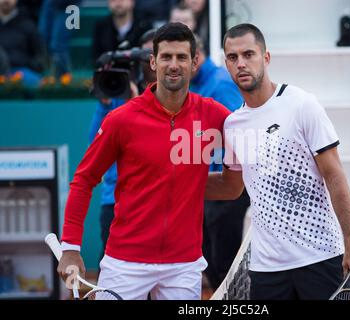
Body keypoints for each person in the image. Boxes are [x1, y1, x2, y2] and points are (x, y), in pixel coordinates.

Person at [57, 23, 231, 300]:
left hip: (183, 264)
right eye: (166, 57)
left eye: (182, 57)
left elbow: (250, 145)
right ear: (153, 61)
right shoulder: (121, 119)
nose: (174, 65)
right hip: (124, 262)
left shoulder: (215, 116)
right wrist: (70, 248)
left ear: (195, 62)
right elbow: (83, 180)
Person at [204, 23, 350, 300]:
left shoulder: (302, 104)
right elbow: (231, 187)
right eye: (233, 58)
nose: (241, 64)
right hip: (266, 268)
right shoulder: (232, 125)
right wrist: (174, 180)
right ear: (226, 63)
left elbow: (335, 175)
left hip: (319, 256)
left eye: (248, 54)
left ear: (265, 58)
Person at [89, 29, 157, 262]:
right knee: (110, 266)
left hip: (156, 200)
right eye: (147, 55)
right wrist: (104, 103)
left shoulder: (175, 96)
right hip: (115, 199)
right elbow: (94, 144)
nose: (152, 62)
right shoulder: (119, 90)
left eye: (156, 54)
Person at [189, 35, 250, 290]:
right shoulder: (198, 84)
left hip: (226, 185)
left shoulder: (219, 84)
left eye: (183, 58)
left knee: (223, 262)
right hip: (211, 183)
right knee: (213, 262)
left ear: (197, 58)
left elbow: (236, 131)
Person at [0, 0, 45, 87]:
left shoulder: (28, 25)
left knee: (37, 83)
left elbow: (40, 55)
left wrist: (29, 66)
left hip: (22, 72)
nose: (6, 0)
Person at [92, 0, 150, 64]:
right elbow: (96, 56)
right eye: (113, 0)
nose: (118, 3)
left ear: (132, 2)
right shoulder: (101, 26)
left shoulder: (144, 25)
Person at [38, 0, 81, 80]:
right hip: (50, 3)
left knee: (58, 45)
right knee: (42, 38)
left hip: (71, 5)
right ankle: (50, 79)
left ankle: (65, 82)